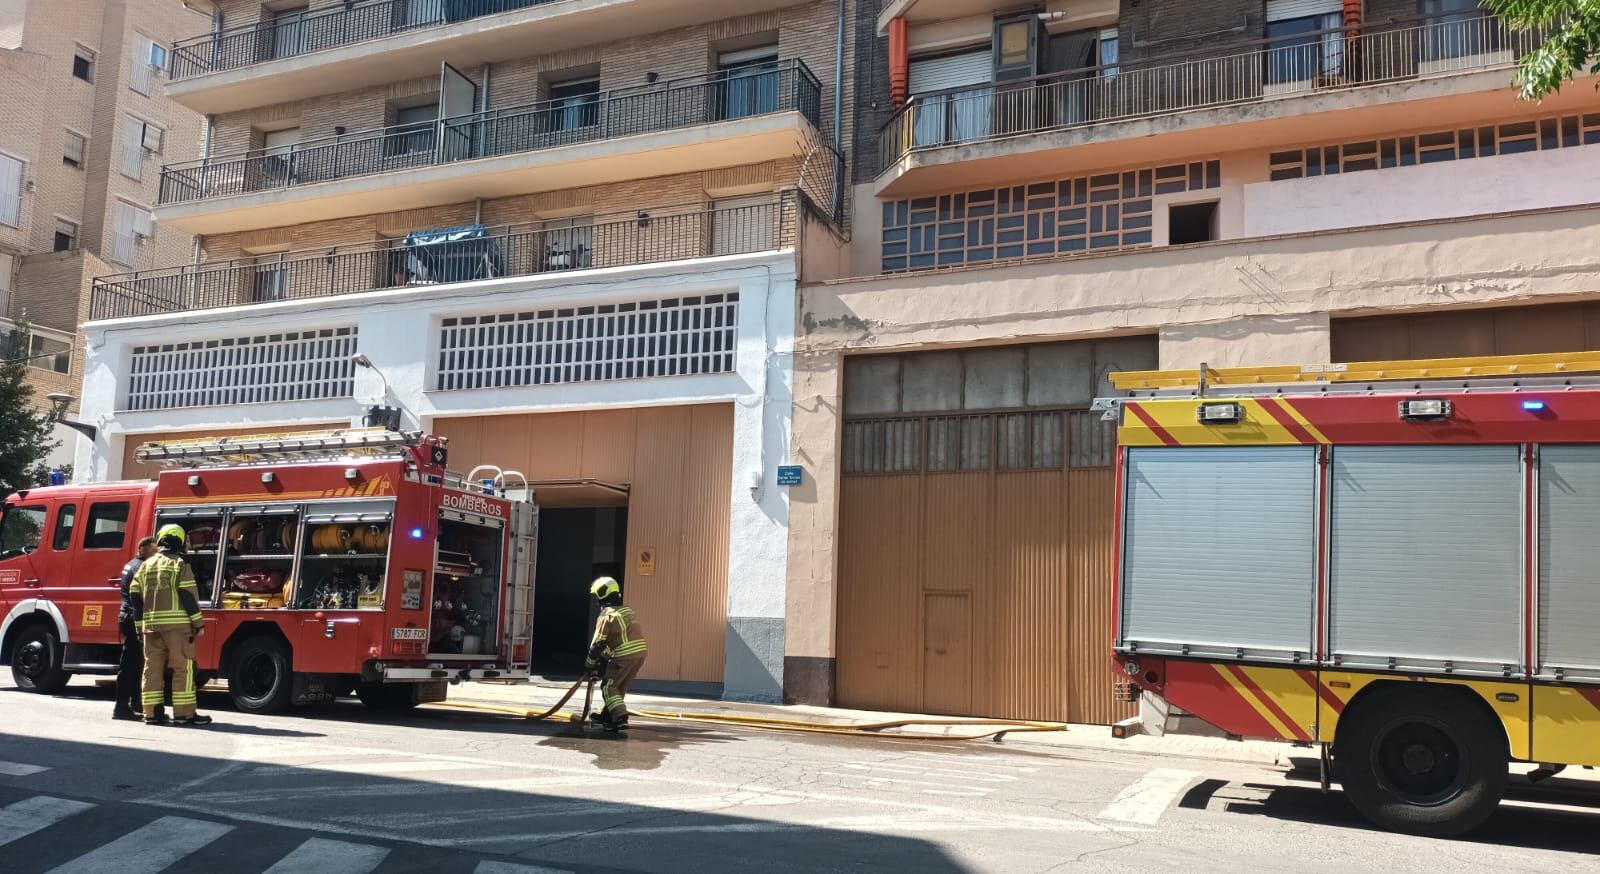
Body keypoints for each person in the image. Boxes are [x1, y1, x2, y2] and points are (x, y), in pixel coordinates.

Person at [128, 523, 212, 726]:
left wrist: (140, 626)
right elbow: (187, 595)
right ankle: (184, 714)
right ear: (180, 541)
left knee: (152, 669)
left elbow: (134, 595)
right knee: (183, 668)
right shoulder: (180, 564)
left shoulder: (145, 565)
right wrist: (198, 623)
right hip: (177, 628)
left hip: (151, 627)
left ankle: (152, 713)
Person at [584, 576, 647, 732]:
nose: (597, 601)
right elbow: (616, 640)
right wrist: (604, 660)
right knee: (619, 687)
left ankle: (620, 717)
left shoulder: (607, 614)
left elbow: (597, 644)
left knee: (608, 687)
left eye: (597, 596)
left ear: (603, 594)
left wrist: (589, 665)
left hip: (624, 655)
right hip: (639, 654)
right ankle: (607, 715)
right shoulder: (627, 611)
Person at [112, 536, 158, 721]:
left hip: (127, 617)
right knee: (131, 665)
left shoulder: (131, 564)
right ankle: (121, 707)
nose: (156, 554)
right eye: (153, 550)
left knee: (136, 663)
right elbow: (142, 596)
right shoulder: (140, 567)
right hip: (133, 618)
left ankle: (135, 704)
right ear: (141, 549)